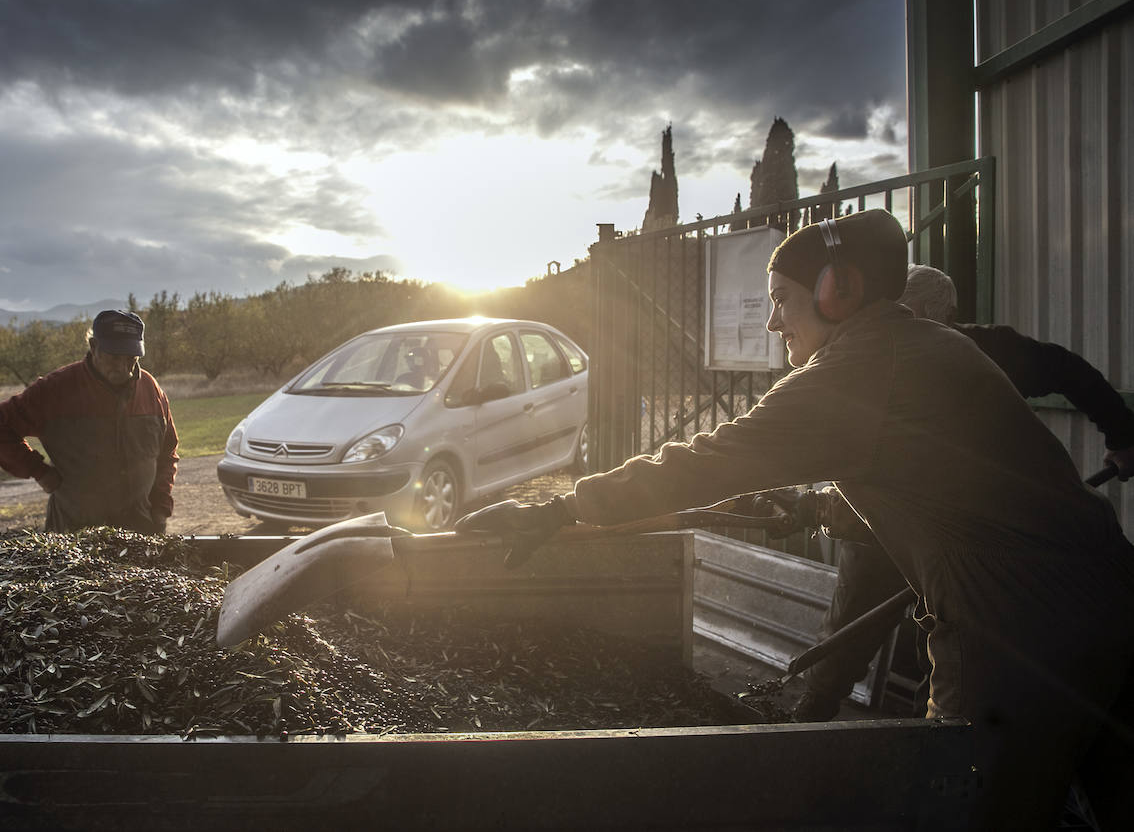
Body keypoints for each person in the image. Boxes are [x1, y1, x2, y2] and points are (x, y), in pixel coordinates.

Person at [456, 209, 1134, 831]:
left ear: (838, 290)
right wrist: (818, 507)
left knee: (961, 808)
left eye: (781, 299)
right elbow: (945, 483)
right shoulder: (930, 346)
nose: (774, 322)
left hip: (1019, 634)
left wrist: (561, 506)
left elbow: (705, 459)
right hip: (1110, 599)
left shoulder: (859, 371)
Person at [795, 264, 1134, 723]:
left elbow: (1069, 371)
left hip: (960, 532)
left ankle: (932, 747)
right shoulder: (866, 357)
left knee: (945, 638)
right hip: (884, 518)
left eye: (911, 319)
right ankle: (809, 720)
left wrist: (1123, 436)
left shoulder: (986, 349)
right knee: (852, 623)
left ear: (945, 319)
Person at [0, 309, 179, 534]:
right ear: (94, 347)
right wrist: (39, 471)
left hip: (140, 530)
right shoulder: (56, 390)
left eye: (131, 359)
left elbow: (167, 452)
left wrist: (161, 507)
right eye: (114, 357)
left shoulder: (150, 390)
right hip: (74, 533)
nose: (123, 368)